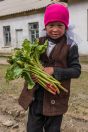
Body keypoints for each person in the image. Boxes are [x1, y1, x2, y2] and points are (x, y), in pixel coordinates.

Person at [18, 3, 81, 132]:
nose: (55, 29)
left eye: (60, 25)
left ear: (66, 27)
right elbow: (29, 65)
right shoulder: (38, 42)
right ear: (45, 26)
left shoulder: (71, 46)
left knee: (53, 129)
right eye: (51, 25)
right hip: (36, 97)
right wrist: (32, 74)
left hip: (56, 98)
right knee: (32, 128)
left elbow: (76, 70)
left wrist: (54, 70)